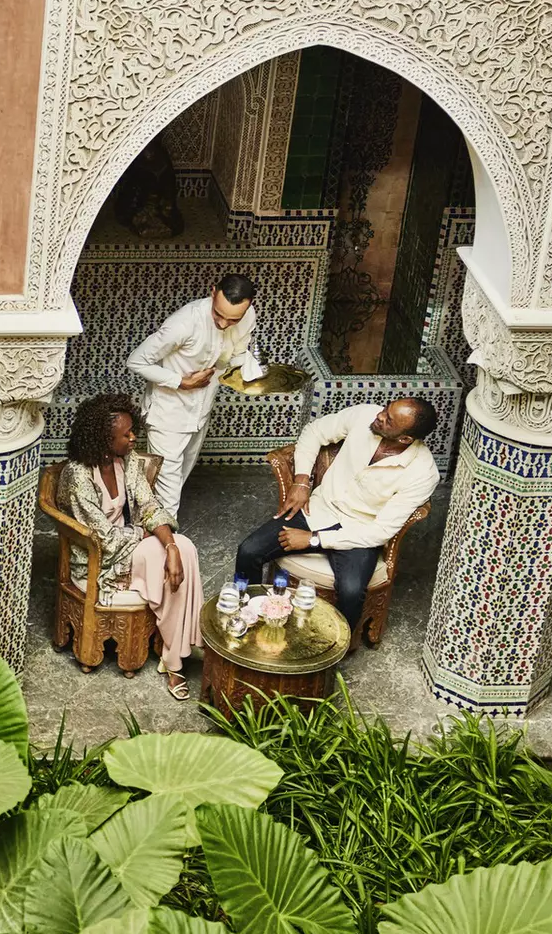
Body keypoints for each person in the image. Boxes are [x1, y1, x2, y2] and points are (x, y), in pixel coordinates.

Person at [233, 399, 441, 625]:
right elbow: (314, 431)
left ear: (405, 439)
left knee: (351, 592)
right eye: (386, 409)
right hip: (318, 509)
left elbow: (380, 532)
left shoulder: (422, 473)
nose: (380, 416)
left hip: (358, 534)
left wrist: (313, 540)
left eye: (389, 420)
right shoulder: (365, 415)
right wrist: (301, 481)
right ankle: (249, 616)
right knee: (249, 551)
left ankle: (333, 651)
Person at [63, 394, 204, 700]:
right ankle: (176, 658)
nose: (133, 437)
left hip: (130, 542)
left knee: (186, 549)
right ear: (103, 439)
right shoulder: (78, 475)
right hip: (98, 558)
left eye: (132, 431)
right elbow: (102, 537)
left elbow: (150, 504)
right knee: (161, 558)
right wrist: (146, 536)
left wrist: (170, 547)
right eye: (125, 434)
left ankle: (174, 655)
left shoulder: (126, 460)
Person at [125, 275, 258, 517]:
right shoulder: (184, 324)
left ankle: (147, 525)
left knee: (179, 477)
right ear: (212, 292)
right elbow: (136, 360)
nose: (225, 323)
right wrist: (181, 382)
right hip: (168, 413)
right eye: (219, 314)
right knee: (168, 488)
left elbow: (236, 352)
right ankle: (167, 546)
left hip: (200, 412)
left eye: (233, 319)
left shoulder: (247, 316)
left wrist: (251, 372)